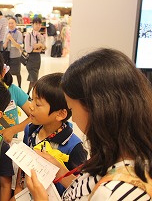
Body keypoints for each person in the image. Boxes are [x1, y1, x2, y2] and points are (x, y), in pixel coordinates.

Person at [26, 48, 152, 200]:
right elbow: (88, 191)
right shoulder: (119, 153)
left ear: (96, 109)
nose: (73, 119)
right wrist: (60, 171)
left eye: (72, 108)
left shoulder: (117, 192)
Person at [13, 73, 87, 197]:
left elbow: (79, 186)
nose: (30, 106)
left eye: (38, 104)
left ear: (60, 114)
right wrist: (19, 186)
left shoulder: (74, 146)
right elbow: (24, 161)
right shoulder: (30, 130)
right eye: (31, 99)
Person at [24, 17, 46, 96]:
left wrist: (38, 46)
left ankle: (29, 94)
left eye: (40, 24)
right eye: (36, 24)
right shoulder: (28, 35)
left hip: (37, 59)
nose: (38, 26)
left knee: (34, 79)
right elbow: (27, 49)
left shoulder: (41, 36)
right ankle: (30, 94)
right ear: (32, 25)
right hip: (31, 59)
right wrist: (37, 46)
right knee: (34, 79)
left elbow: (44, 48)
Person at [3, 17, 23, 88]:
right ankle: (9, 87)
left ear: (15, 24)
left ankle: (19, 87)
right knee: (8, 73)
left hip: (16, 56)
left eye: (12, 23)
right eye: (9, 23)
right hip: (8, 56)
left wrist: (11, 38)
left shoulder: (19, 33)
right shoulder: (6, 33)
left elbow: (18, 46)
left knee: (17, 73)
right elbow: (4, 46)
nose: (10, 25)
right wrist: (7, 40)